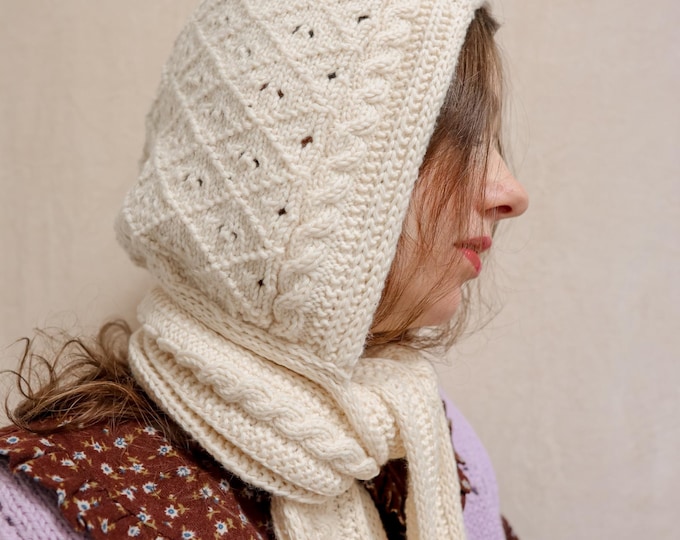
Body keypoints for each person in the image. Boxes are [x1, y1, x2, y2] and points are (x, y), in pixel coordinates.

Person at [0, 0, 528, 538]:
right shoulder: (39, 512)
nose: (513, 193)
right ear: (291, 170)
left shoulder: (423, 437)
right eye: (466, 137)